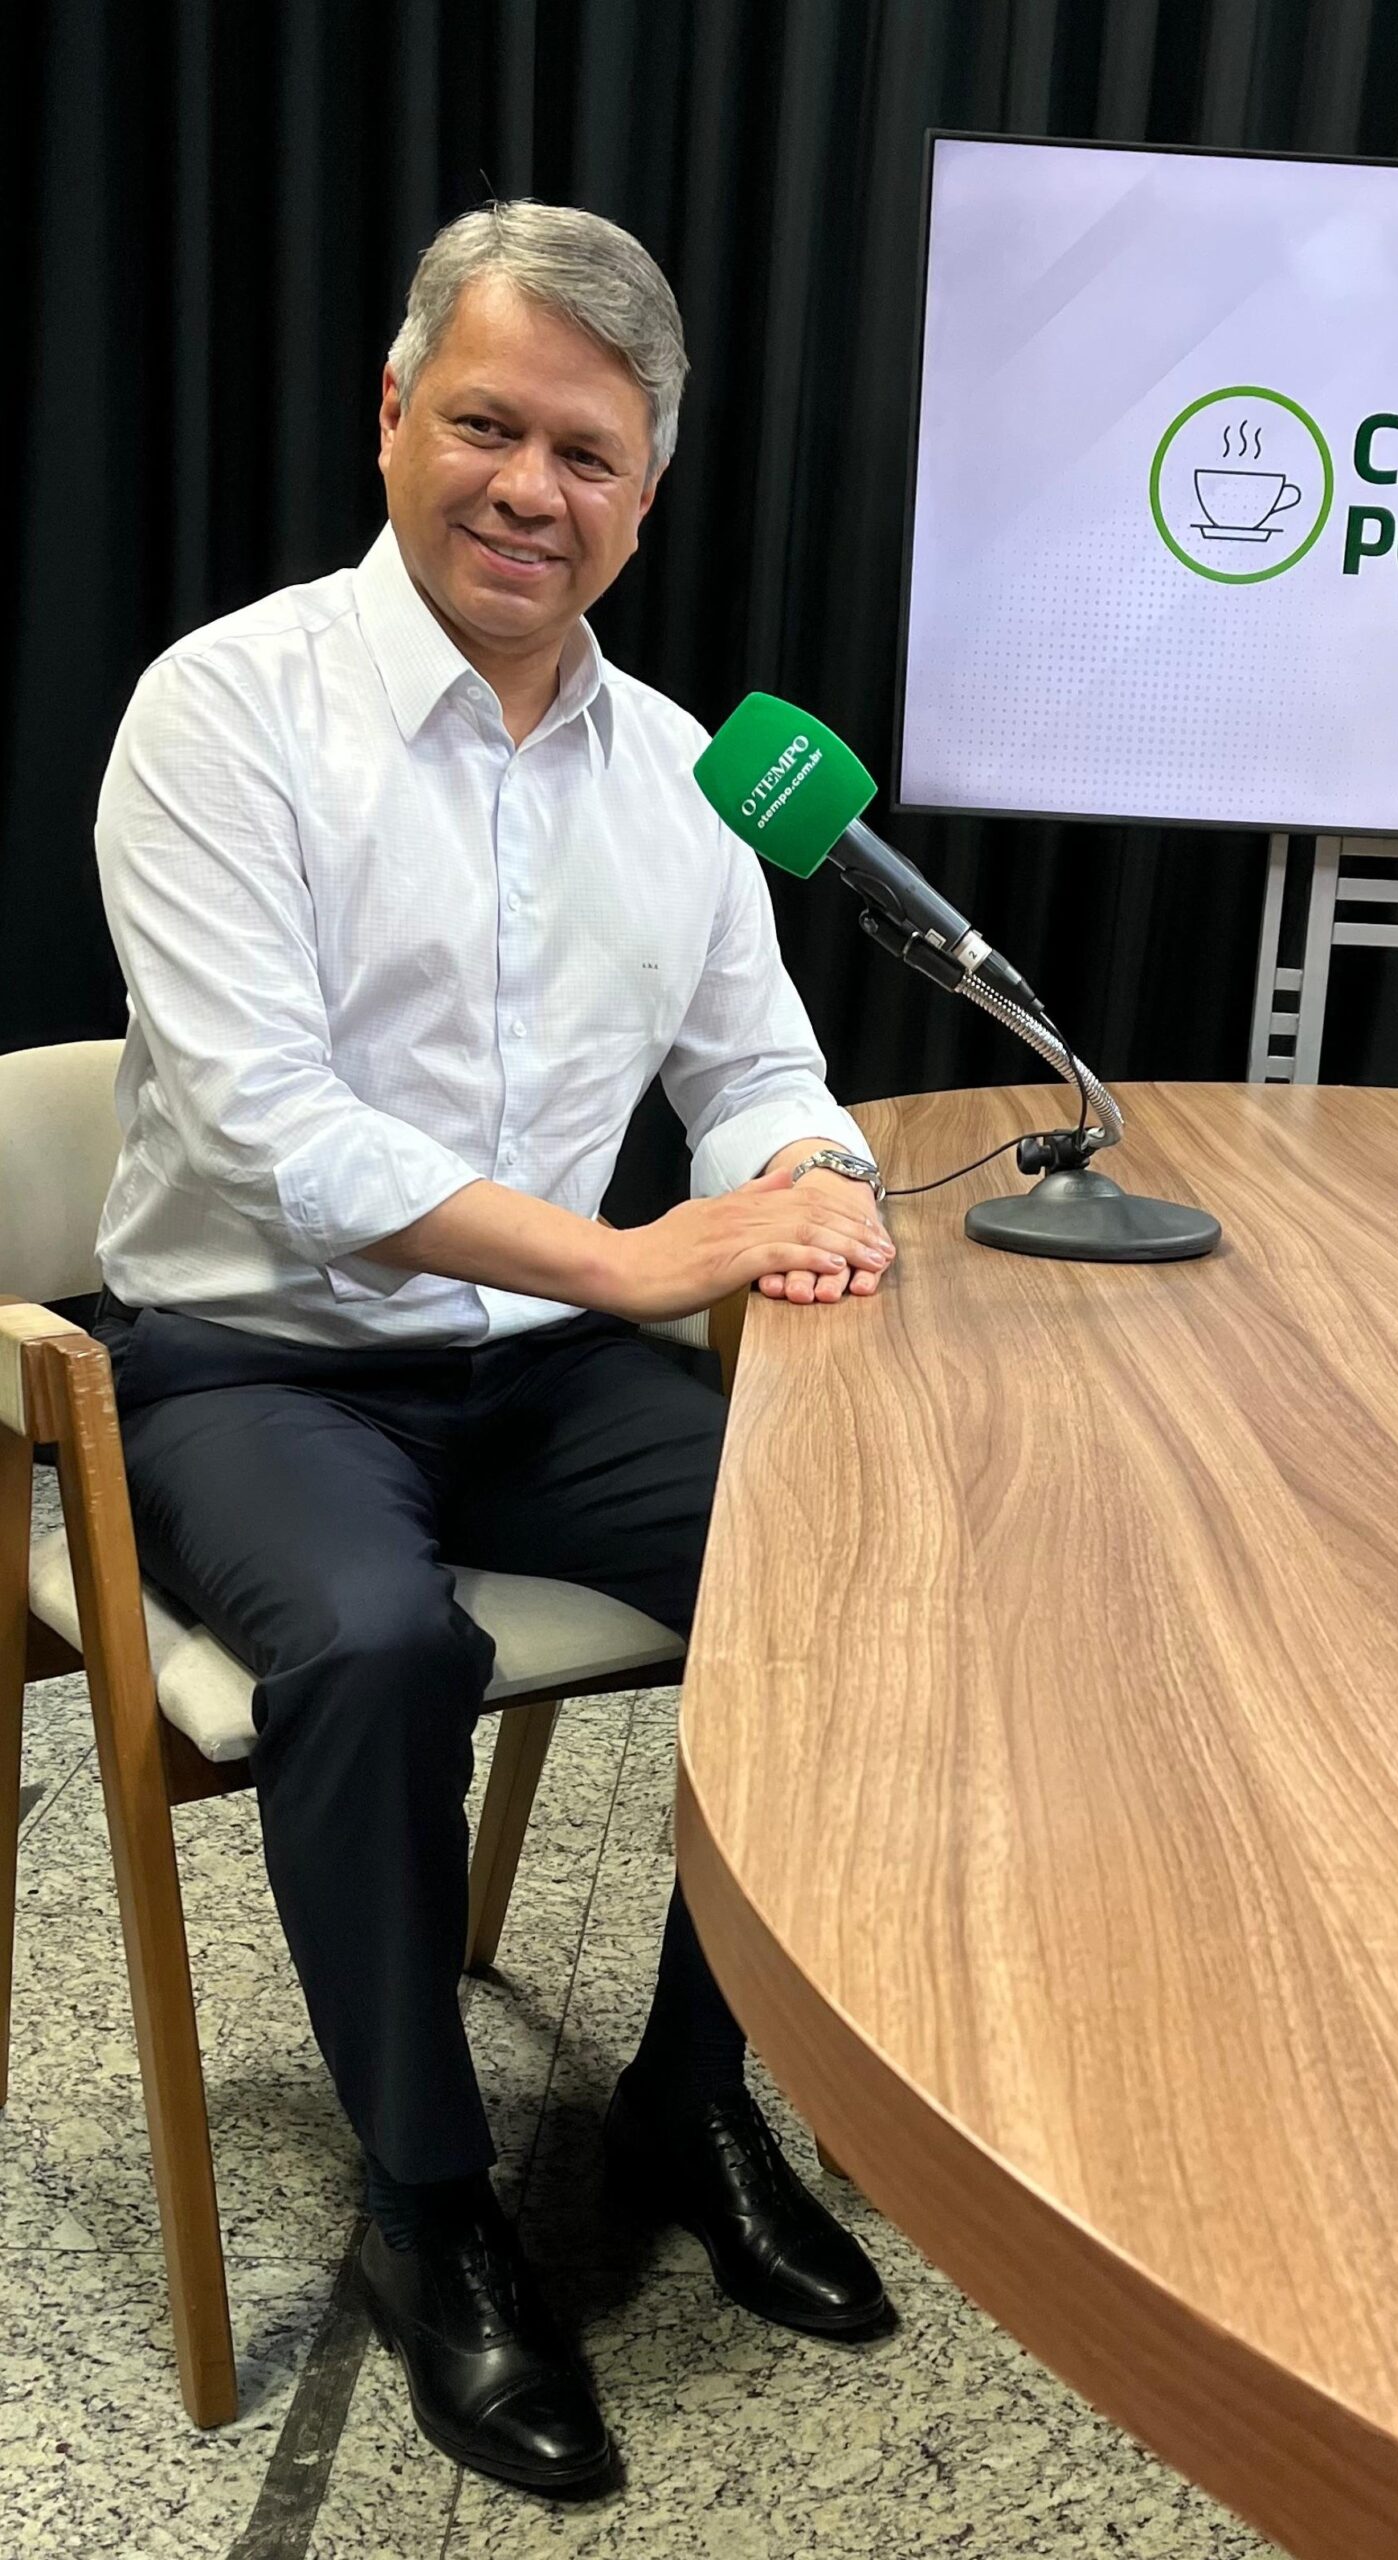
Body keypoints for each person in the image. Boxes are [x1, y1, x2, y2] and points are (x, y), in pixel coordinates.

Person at [92, 199, 898, 2500]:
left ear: (649, 490)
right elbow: (272, 1123)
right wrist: (635, 1259)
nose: (530, 488)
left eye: (588, 452)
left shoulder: (683, 772)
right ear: (392, 415)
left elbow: (757, 1067)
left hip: (538, 1373)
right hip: (256, 1360)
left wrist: (815, 1176)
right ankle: (429, 2198)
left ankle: (691, 2093)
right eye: (487, 425)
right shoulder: (224, 709)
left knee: (844, 1563)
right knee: (375, 1645)